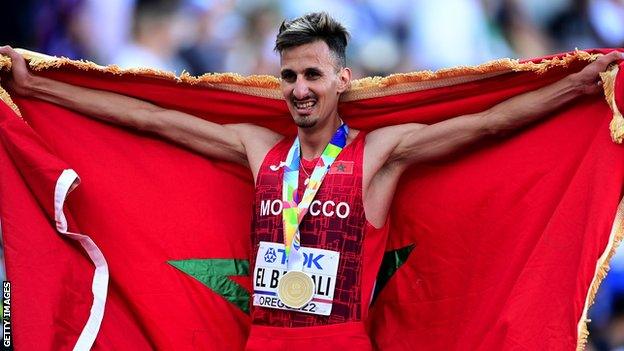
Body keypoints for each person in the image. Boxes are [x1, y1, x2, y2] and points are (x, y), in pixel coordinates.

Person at [0, 11, 622, 351]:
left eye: (313, 76)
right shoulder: (256, 149)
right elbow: (152, 119)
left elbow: (486, 124)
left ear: (342, 80)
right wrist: (41, 88)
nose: (300, 89)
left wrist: (572, 86)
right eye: (290, 76)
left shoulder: (379, 155)